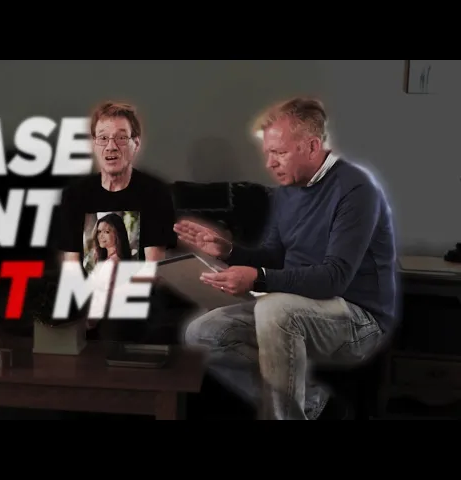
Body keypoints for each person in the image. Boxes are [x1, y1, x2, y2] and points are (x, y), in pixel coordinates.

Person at [175, 97, 398, 420]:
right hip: (296, 307)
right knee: (201, 332)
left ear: (312, 146)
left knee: (274, 309)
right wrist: (229, 250)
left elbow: (334, 278)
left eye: (279, 153)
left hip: (358, 320)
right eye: (267, 153)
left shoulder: (356, 189)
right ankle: (316, 406)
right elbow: (273, 255)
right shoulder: (287, 191)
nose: (270, 163)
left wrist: (259, 277)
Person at [56, 101, 177, 335]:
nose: (111, 146)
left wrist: (102, 306)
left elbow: (153, 269)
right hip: (87, 295)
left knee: (115, 324)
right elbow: (71, 264)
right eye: (103, 138)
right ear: (93, 144)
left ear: (135, 144)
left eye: (121, 138)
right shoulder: (75, 195)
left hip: (135, 296)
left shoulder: (155, 192)